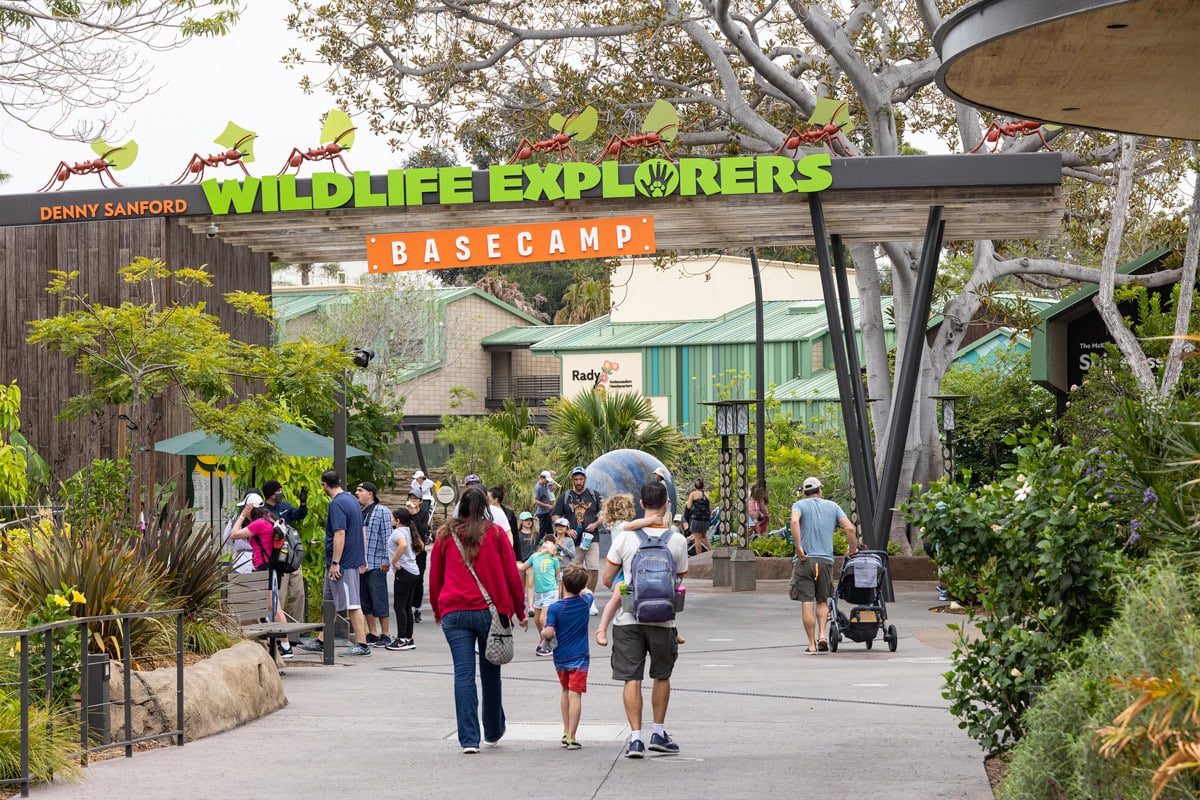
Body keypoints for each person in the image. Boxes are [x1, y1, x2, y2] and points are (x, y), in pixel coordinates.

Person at [429, 486, 528, 754]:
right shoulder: (495, 534)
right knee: (490, 671)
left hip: (454, 612)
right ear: (485, 506)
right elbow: (511, 575)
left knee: (463, 673)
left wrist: (439, 610)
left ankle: (469, 739)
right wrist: (519, 611)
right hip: (489, 611)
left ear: (460, 504)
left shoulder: (445, 534)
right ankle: (493, 730)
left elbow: (435, 576)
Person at [602, 480, 688, 758]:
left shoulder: (625, 537)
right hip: (663, 620)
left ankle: (636, 738)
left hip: (628, 617)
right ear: (666, 504)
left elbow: (606, 579)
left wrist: (626, 585)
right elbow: (680, 578)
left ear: (641, 504)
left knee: (632, 678)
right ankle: (659, 732)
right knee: (662, 675)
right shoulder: (676, 540)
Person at [595, 494, 686, 648]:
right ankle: (602, 628)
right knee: (617, 597)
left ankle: (674, 630)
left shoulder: (623, 524)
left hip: (632, 567)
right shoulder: (623, 525)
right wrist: (651, 521)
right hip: (623, 571)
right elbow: (629, 527)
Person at [298, 470, 371, 657]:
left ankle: (362, 644)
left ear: (324, 485)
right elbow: (361, 529)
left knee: (352, 603)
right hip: (345, 561)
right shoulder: (352, 500)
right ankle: (323, 640)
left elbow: (340, 533)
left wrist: (336, 562)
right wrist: (363, 556)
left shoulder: (337, 504)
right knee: (329, 602)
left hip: (342, 564)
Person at [790, 476, 858, 655]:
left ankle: (811, 645)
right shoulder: (833, 507)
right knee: (822, 600)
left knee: (807, 601)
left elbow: (795, 521)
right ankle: (822, 636)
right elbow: (850, 529)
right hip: (826, 560)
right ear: (820, 490)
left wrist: (798, 547)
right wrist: (852, 549)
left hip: (805, 560)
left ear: (805, 493)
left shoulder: (799, 505)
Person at [230, 495, 293, 658]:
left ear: (250, 507)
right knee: (270, 605)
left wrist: (243, 515)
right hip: (268, 568)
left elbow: (234, 534)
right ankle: (278, 643)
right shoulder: (269, 519)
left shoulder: (259, 524)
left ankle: (285, 646)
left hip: (266, 569)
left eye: (244, 507)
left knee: (274, 606)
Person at [542, 563, 594, 750]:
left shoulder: (555, 608)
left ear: (562, 583)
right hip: (580, 657)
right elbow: (589, 592)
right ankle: (572, 736)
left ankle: (565, 729)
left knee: (565, 691)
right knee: (576, 695)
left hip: (561, 657)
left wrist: (544, 634)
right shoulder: (585, 601)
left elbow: (548, 633)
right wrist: (582, 588)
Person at [261, 480, 310, 647]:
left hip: (291, 557)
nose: (281, 493)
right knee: (278, 599)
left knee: (299, 594)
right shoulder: (264, 512)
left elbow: (299, 514)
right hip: (276, 560)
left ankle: (295, 636)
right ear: (270, 494)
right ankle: (280, 637)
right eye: (278, 491)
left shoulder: (285, 506)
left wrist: (303, 503)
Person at [553, 466, 603, 608]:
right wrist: (567, 529)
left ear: (585, 479)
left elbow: (604, 514)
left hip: (591, 538)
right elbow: (555, 515)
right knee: (573, 571)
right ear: (572, 480)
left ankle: (590, 598)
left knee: (593, 569)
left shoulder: (594, 495)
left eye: (581, 479)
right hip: (573, 542)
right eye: (576, 479)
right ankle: (574, 597)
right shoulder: (566, 496)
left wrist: (596, 523)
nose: (578, 481)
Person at [356, 481, 393, 648]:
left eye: (360, 490)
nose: (357, 493)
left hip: (377, 563)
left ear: (370, 493)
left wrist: (387, 560)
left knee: (379, 599)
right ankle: (372, 633)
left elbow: (388, 537)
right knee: (365, 600)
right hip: (360, 564)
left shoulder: (382, 511)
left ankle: (385, 634)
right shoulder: (359, 511)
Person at [385, 507, 421, 651]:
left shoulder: (398, 532)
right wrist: (410, 558)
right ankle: (408, 638)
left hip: (404, 573)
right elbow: (421, 547)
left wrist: (394, 561)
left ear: (398, 521)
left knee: (399, 606)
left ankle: (401, 639)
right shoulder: (410, 531)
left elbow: (403, 545)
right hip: (413, 571)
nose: (391, 520)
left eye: (392, 518)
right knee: (407, 606)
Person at [526, 539, 561, 657]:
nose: (546, 542)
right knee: (536, 620)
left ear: (553, 549)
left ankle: (549, 643)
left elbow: (557, 575)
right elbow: (523, 566)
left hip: (550, 592)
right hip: (538, 593)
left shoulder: (554, 560)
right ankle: (544, 638)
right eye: (545, 541)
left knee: (543, 619)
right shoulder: (534, 556)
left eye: (550, 542)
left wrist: (556, 588)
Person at [514, 511, 538, 613]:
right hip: (520, 562)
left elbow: (538, 547)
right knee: (521, 584)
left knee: (531, 583)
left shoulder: (536, 534)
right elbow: (513, 548)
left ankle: (531, 606)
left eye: (530, 520)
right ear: (521, 522)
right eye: (526, 520)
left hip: (531, 562)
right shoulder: (517, 534)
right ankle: (520, 605)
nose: (528, 522)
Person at [684, 479, 712, 554]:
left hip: (697, 519)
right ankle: (712, 552)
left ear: (695, 486)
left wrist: (687, 503)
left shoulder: (693, 494)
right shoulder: (707, 495)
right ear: (703, 486)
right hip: (706, 519)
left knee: (697, 538)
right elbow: (710, 509)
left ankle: (698, 557)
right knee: (704, 536)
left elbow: (689, 506)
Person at [533, 470, 557, 540]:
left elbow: (549, 490)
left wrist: (552, 488)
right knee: (542, 530)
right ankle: (538, 543)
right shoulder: (538, 487)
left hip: (547, 512)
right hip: (542, 512)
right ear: (542, 478)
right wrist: (547, 505)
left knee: (550, 529)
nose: (547, 481)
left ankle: (552, 541)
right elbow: (536, 501)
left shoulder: (544, 484)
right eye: (546, 480)